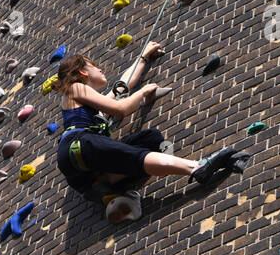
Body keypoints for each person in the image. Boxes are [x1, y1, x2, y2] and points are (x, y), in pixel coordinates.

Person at [52, 42, 246, 220]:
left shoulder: (88, 103)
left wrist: (143, 57)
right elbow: (122, 108)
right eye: (93, 65)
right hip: (78, 144)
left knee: (151, 139)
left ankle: (104, 184)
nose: (100, 68)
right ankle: (196, 168)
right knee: (136, 155)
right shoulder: (75, 88)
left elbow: (122, 86)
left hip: (81, 169)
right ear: (82, 72)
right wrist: (143, 93)